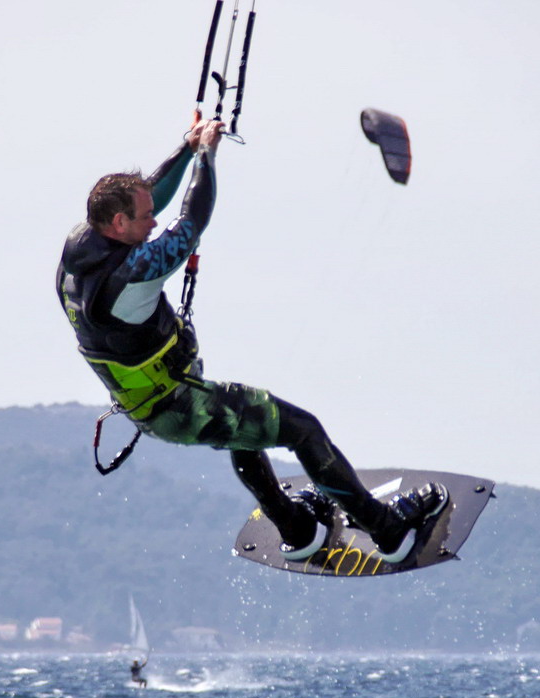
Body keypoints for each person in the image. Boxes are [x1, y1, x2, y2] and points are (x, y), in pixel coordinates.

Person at [56, 119, 446, 564]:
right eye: (145, 217)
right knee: (302, 429)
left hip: (155, 402)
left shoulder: (80, 251)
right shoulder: (129, 278)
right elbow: (191, 221)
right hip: (176, 406)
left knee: (245, 430)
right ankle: (390, 532)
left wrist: (185, 148)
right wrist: (207, 155)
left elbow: (150, 194)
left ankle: (298, 529)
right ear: (120, 222)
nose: (154, 220)